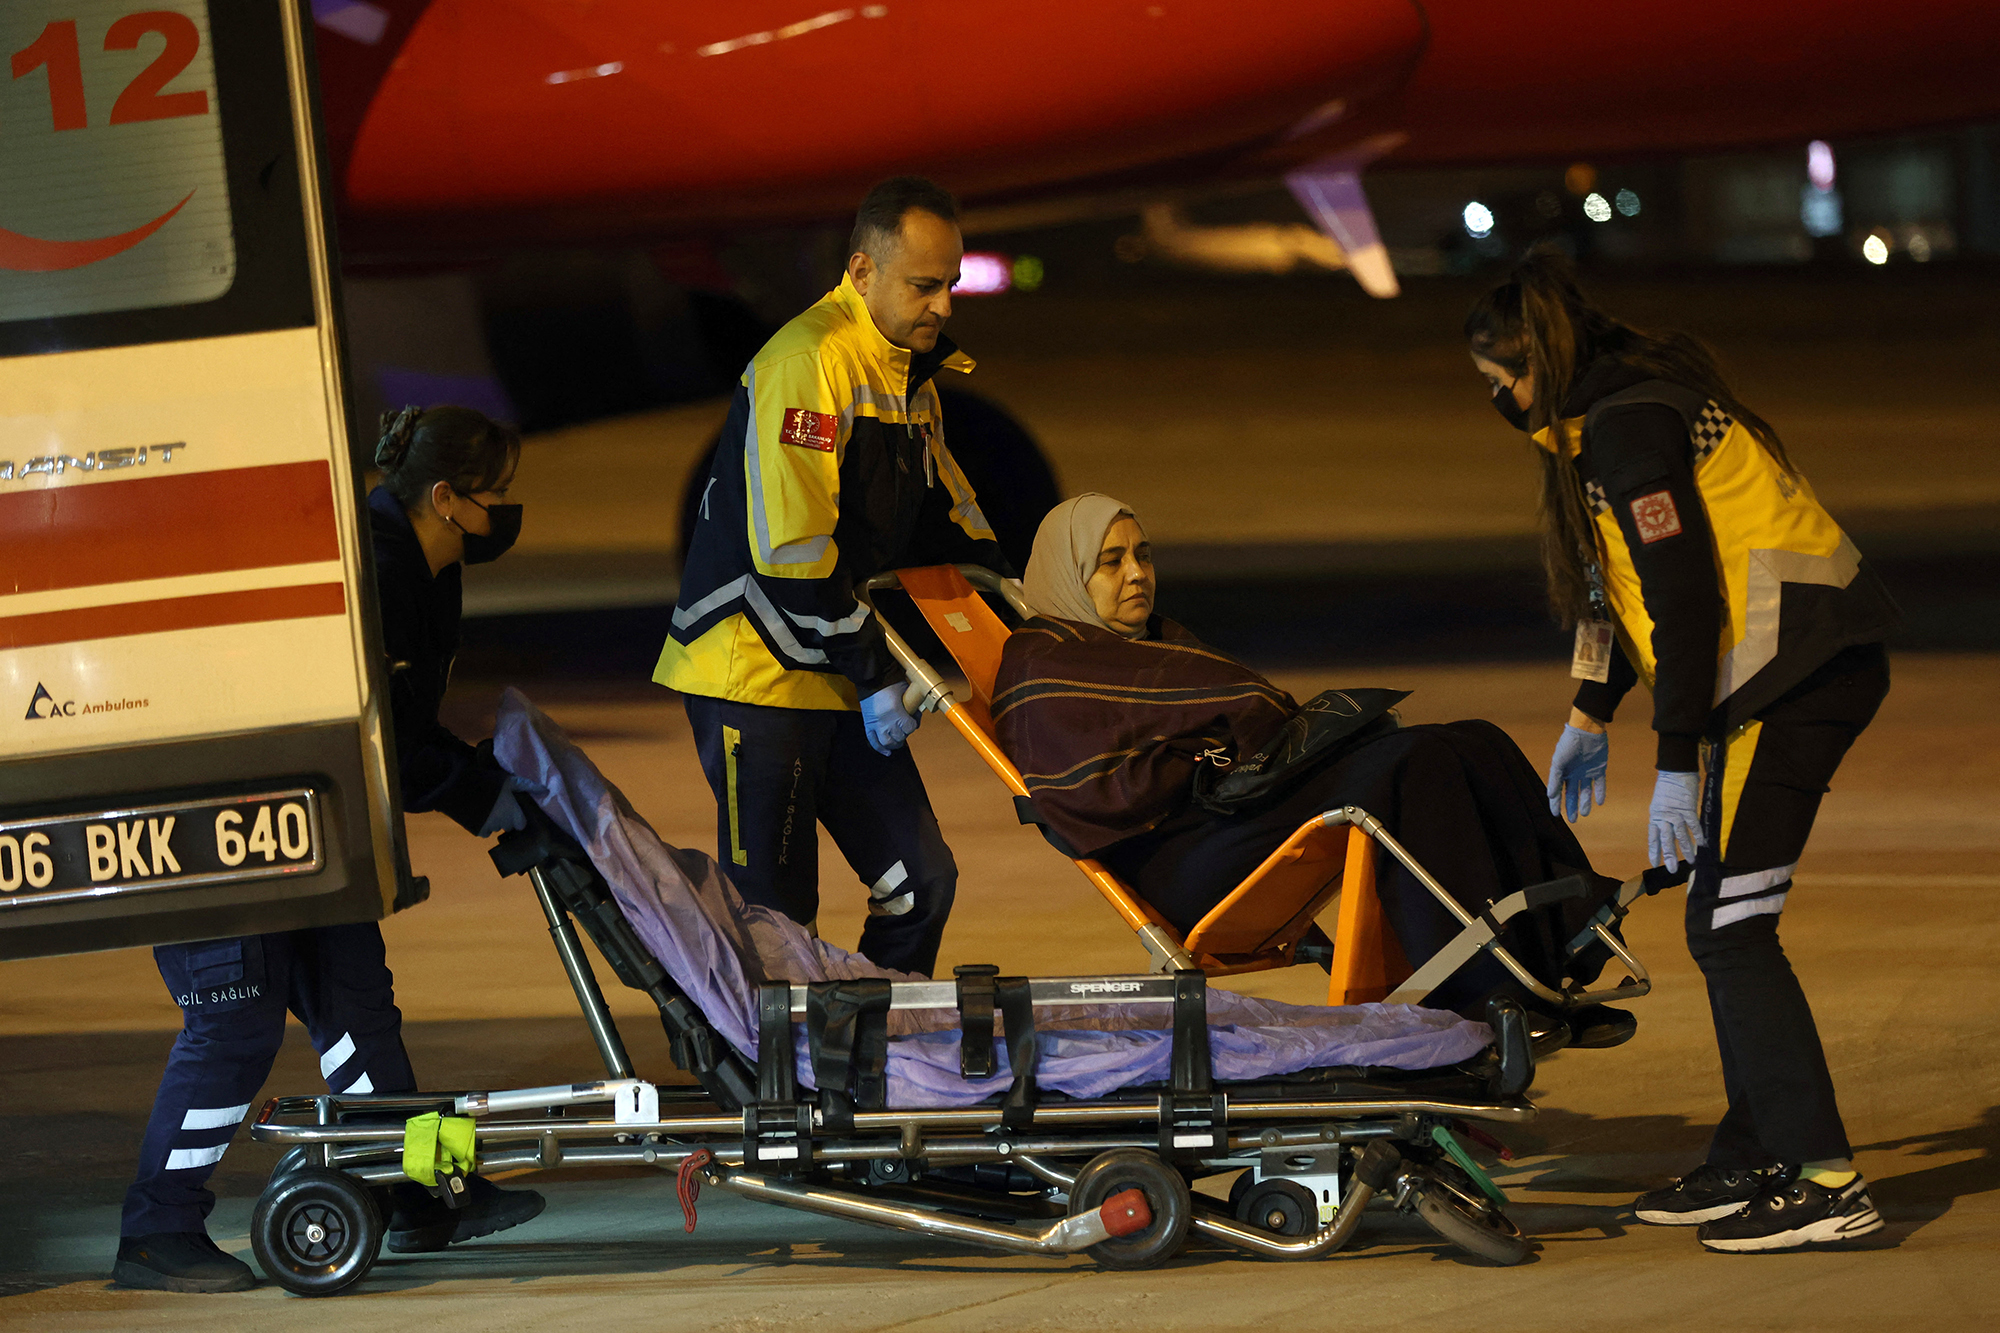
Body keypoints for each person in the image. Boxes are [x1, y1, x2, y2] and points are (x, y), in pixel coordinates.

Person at [1465, 249, 1899, 1253]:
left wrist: (1670, 760)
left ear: (1534, 363)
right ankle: (1757, 1148)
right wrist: (1587, 711)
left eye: (1498, 381)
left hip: (1795, 677)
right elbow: (1609, 589)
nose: (1494, 399)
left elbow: (1686, 601)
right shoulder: (1608, 416)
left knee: (1730, 927)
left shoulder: (1627, 429)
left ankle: (1825, 1177)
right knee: (1720, 916)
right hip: (1777, 676)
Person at [113, 406, 544, 1293]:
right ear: (446, 498)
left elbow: (403, 729)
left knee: (357, 1005)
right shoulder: (366, 572)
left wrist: (481, 787)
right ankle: (156, 1231)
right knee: (234, 1019)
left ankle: (420, 1189)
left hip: (311, 828)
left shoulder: (430, 567)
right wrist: (483, 794)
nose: (507, 510)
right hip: (223, 815)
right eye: (497, 495)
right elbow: (380, 737)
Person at [992, 494, 1628, 1027]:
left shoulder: (1149, 641)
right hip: (1175, 855)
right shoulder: (1045, 667)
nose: (1136, 573)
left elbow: (1235, 721)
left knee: (1471, 739)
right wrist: (1203, 756)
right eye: (1111, 562)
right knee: (1413, 764)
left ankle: (1562, 945)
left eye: (1143, 554)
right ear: (1070, 575)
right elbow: (1085, 801)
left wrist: (1214, 754)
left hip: (1225, 811)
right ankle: (1481, 998)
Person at [656, 177, 1009, 977]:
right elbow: (793, 555)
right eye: (924, 285)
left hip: (838, 667)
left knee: (922, 883)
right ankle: (784, 1084)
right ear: (861, 271)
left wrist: (1033, 610)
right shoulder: (808, 362)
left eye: (950, 283)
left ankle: (870, 1049)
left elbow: (954, 516)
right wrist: (878, 671)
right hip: (757, 673)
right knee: (778, 920)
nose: (945, 305)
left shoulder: (904, 373)